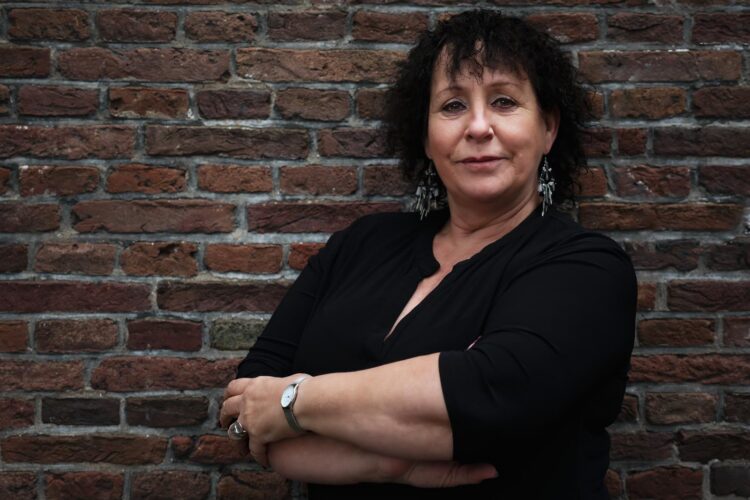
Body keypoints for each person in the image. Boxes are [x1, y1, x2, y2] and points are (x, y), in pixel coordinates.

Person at [220, 10, 637, 499]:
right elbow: (247, 412)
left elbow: (488, 402)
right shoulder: (361, 244)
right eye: (453, 106)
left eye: (504, 102)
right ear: (425, 137)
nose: (478, 126)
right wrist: (390, 466)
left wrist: (292, 402)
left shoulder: (586, 268)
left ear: (547, 128)